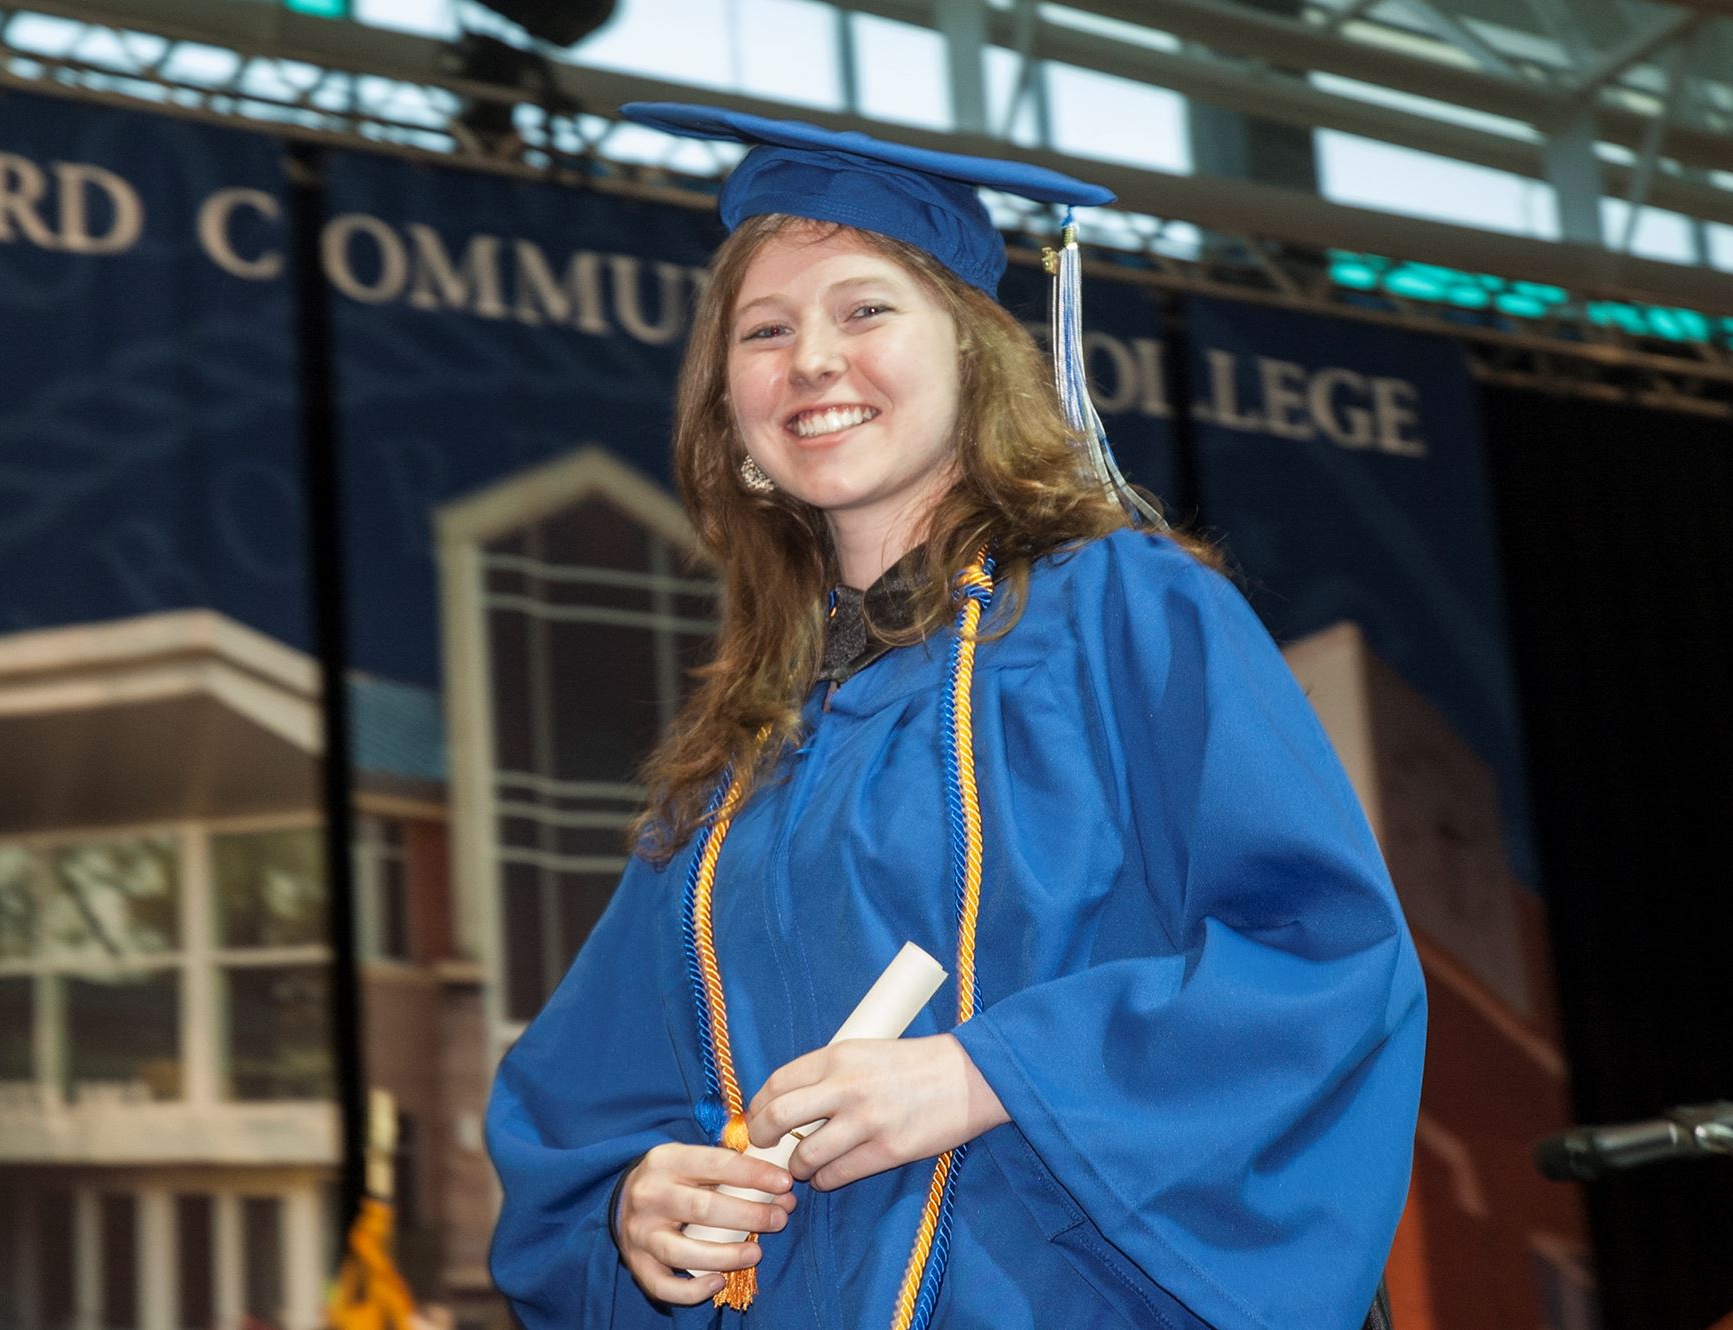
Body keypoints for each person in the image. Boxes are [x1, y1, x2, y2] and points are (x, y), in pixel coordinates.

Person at [486, 102, 1426, 1330]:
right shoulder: (741, 762)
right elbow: (587, 1106)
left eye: (864, 308)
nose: (811, 359)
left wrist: (987, 1075)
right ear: (733, 412)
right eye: (763, 331)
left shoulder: (1127, 614)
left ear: (973, 352)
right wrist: (640, 1204)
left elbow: (1322, 959)